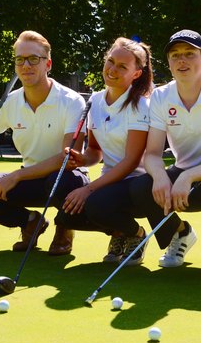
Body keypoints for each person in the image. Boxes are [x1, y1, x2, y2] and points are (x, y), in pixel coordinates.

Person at [0, 30, 87, 256]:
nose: (26, 65)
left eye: (34, 59)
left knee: (60, 180)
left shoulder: (72, 101)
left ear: (48, 64)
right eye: (20, 60)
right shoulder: (10, 102)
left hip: (67, 178)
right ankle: (30, 221)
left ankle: (64, 227)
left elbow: (67, 158)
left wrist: (16, 176)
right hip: (30, 179)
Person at [129, 29, 201, 273]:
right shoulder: (160, 96)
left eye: (190, 54)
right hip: (181, 174)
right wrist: (160, 177)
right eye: (175, 55)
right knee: (140, 187)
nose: (182, 60)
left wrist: (188, 176)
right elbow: (152, 154)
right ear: (168, 62)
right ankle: (180, 234)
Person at [57, 37, 153, 265]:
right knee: (67, 214)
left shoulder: (140, 105)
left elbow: (130, 162)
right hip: (109, 182)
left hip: (138, 185)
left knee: (92, 203)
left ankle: (137, 234)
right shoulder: (95, 101)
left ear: (136, 74)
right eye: (110, 61)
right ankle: (120, 232)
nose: (112, 69)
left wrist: (88, 190)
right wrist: (81, 159)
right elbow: (95, 151)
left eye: (122, 66)